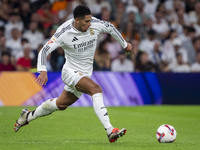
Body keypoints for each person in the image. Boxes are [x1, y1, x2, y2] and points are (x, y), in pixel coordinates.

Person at [14, 5, 132, 143]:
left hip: (84, 74)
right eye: (86, 21)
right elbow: (44, 50)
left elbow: (111, 28)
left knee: (61, 104)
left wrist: (124, 44)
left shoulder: (95, 24)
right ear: (76, 20)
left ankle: (27, 116)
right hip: (70, 72)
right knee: (96, 90)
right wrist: (43, 70)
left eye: (90, 20)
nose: (89, 23)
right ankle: (110, 130)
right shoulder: (64, 32)